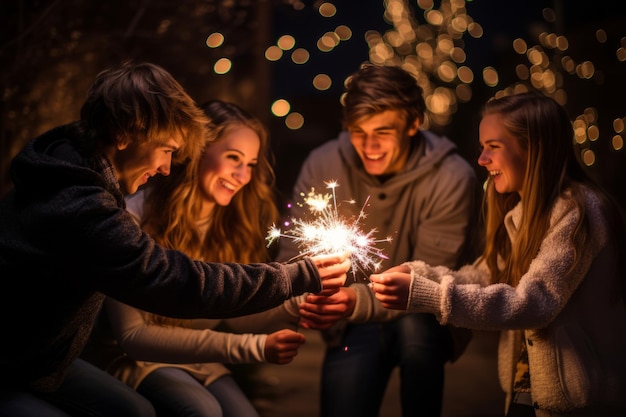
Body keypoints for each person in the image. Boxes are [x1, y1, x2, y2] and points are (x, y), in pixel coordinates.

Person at [0, 61, 350, 417]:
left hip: (47, 361)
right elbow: (175, 281)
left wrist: (294, 302)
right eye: (167, 149)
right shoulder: (85, 207)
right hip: (15, 366)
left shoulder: (82, 175)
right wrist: (293, 278)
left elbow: (216, 302)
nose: (169, 167)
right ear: (125, 134)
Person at [368, 91, 626, 417]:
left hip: (582, 403)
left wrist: (427, 294)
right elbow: (484, 275)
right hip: (527, 394)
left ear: (534, 149)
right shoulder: (523, 214)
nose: (482, 160)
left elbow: (532, 303)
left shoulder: (579, 211)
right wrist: (418, 276)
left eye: (494, 146)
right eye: (481, 147)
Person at [276, 64, 479, 417]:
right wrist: (308, 295)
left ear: (413, 124)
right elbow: (293, 255)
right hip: (352, 324)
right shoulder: (323, 163)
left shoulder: (452, 177)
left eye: (383, 131)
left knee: (417, 335)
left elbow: (429, 277)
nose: (369, 145)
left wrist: (353, 300)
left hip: (421, 316)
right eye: (358, 131)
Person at [83, 99, 306, 417]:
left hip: (193, 356)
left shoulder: (232, 225)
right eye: (233, 158)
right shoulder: (134, 218)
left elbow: (233, 311)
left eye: (251, 164)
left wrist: (294, 306)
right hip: (127, 357)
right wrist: (257, 348)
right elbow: (134, 336)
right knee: (202, 410)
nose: (242, 175)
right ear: (199, 151)